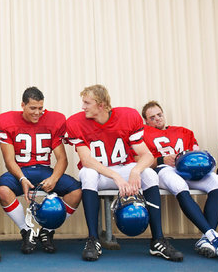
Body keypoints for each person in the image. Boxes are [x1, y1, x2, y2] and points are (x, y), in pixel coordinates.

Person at [65, 84, 183, 262]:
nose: (83, 107)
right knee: (87, 174)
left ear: (101, 105)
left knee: (150, 175)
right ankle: (93, 239)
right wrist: (116, 177)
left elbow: (147, 155)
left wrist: (136, 170)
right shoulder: (76, 122)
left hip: (124, 167)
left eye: (87, 103)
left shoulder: (127, 116)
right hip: (100, 173)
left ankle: (158, 240)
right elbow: (87, 160)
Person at [0, 87, 81, 254]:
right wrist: (21, 178)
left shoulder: (54, 120)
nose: (37, 112)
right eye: (33, 108)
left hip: (44, 171)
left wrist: (54, 178)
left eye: (40, 108)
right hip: (21, 171)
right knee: (3, 190)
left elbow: (62, 159)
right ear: (23, 105)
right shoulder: (7, 122)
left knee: (76, 192)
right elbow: (9, 160)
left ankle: (47, 231)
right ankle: (27, 231)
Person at [141, 101, 218, 258]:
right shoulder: (143, 134)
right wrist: (162, 160)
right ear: (146, 121)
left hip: (190, 170)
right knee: (179, 185)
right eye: (152, 117)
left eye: (159, 115)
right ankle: (213, 236)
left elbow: (197, 154)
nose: (157, 119)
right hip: (164, 170)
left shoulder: (183, 132)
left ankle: (206, 239)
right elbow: (140, 160)